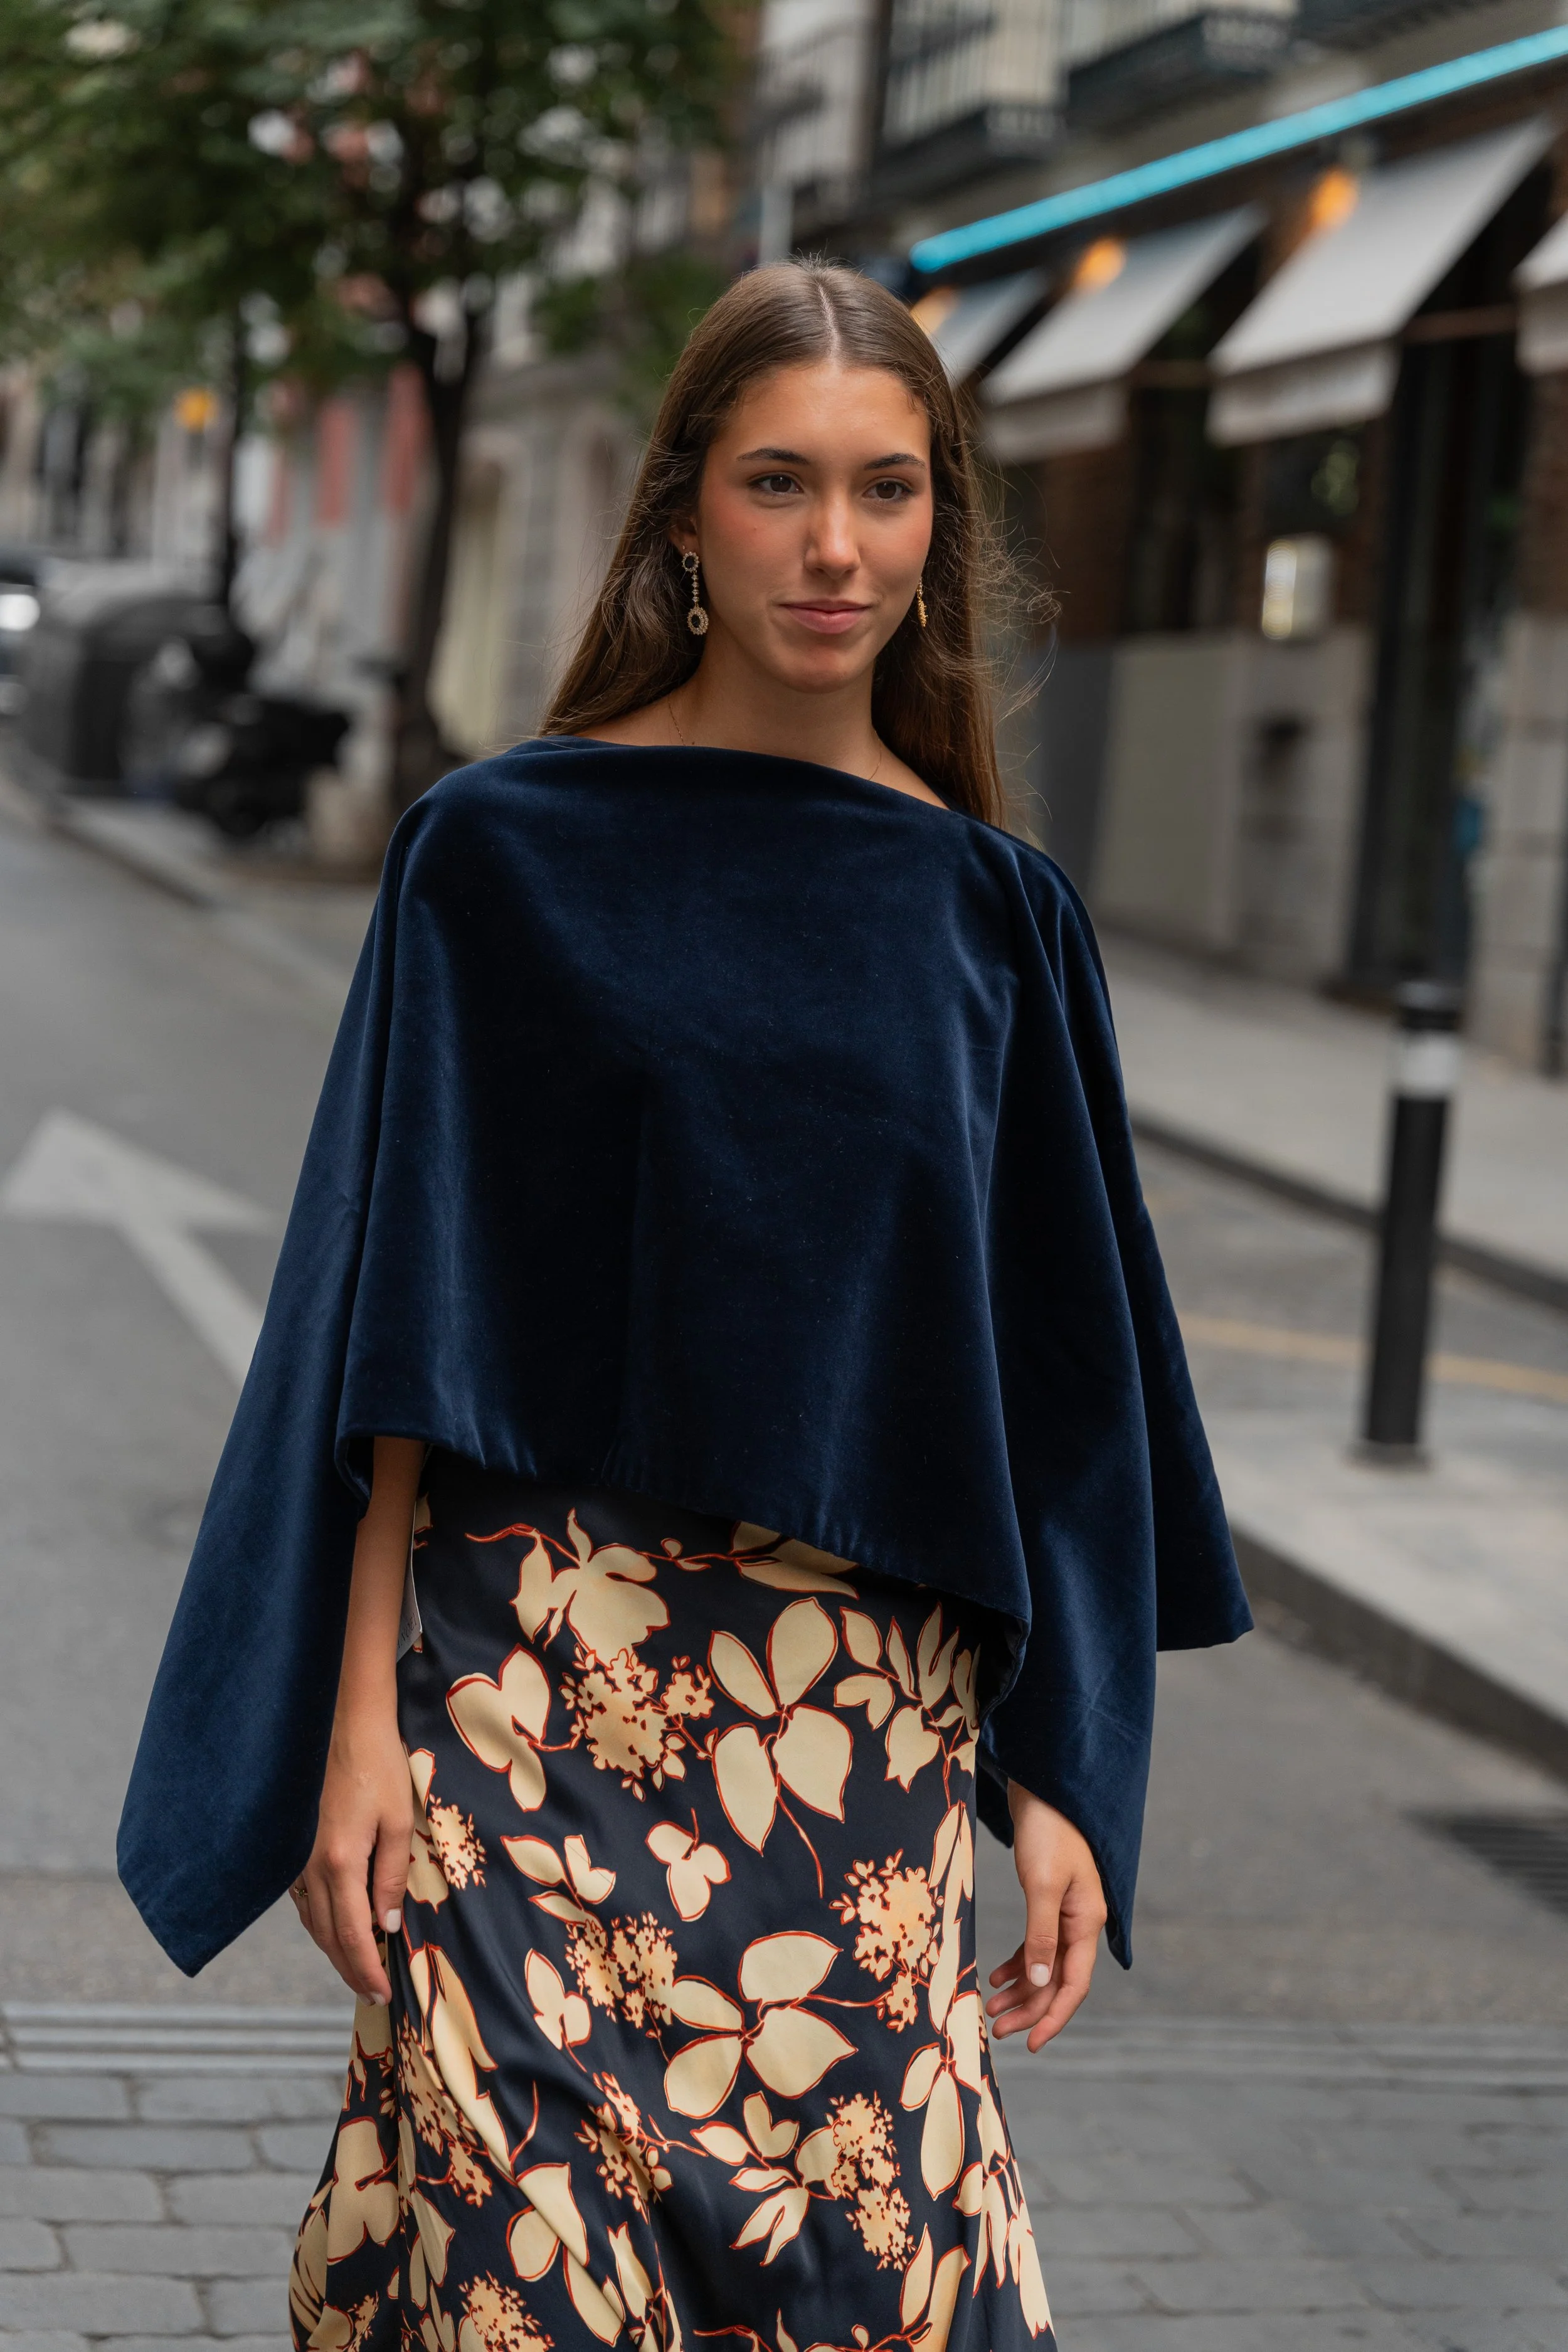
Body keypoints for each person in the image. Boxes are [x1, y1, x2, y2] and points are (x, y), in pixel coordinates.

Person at [118, 260, 1251, 2352]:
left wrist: (1068, 1771)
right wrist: (353, 1728)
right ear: (681, 515)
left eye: (887, 490)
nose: (835, 545)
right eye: (778, 483)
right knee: (517, 2297)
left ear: (939, 534)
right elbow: (397, 1338)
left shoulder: (995, 922)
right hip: (526, 1700)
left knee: (863, 2294)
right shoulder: (499, 854)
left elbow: (1066, 1396)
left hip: (856, 1756)